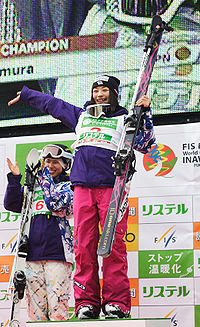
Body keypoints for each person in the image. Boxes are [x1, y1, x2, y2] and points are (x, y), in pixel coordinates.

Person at [8, 75, 155, 319]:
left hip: (112, 186)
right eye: (96, 90)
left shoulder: (125, 119)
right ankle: (86, 302)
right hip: (81, 188)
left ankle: (116, 302)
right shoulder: (82, 116)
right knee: (83, 247)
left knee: (113, 246)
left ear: (115, 93)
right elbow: (54, 105)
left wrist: (145, 114)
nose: (99, 95)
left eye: (104, 91)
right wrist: (26, 94)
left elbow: (145, 143)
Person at [4, 144, 74, 321]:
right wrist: (15, 179)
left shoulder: (70, 185)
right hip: (30, 254)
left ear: (66, 164)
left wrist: (43, 177)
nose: (50, 165)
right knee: (36, 313)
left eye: (55, 162)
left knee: (58, 310)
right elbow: (11, 204)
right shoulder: (33, 186)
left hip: (57, 254)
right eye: (47, 161)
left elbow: (57, 204)